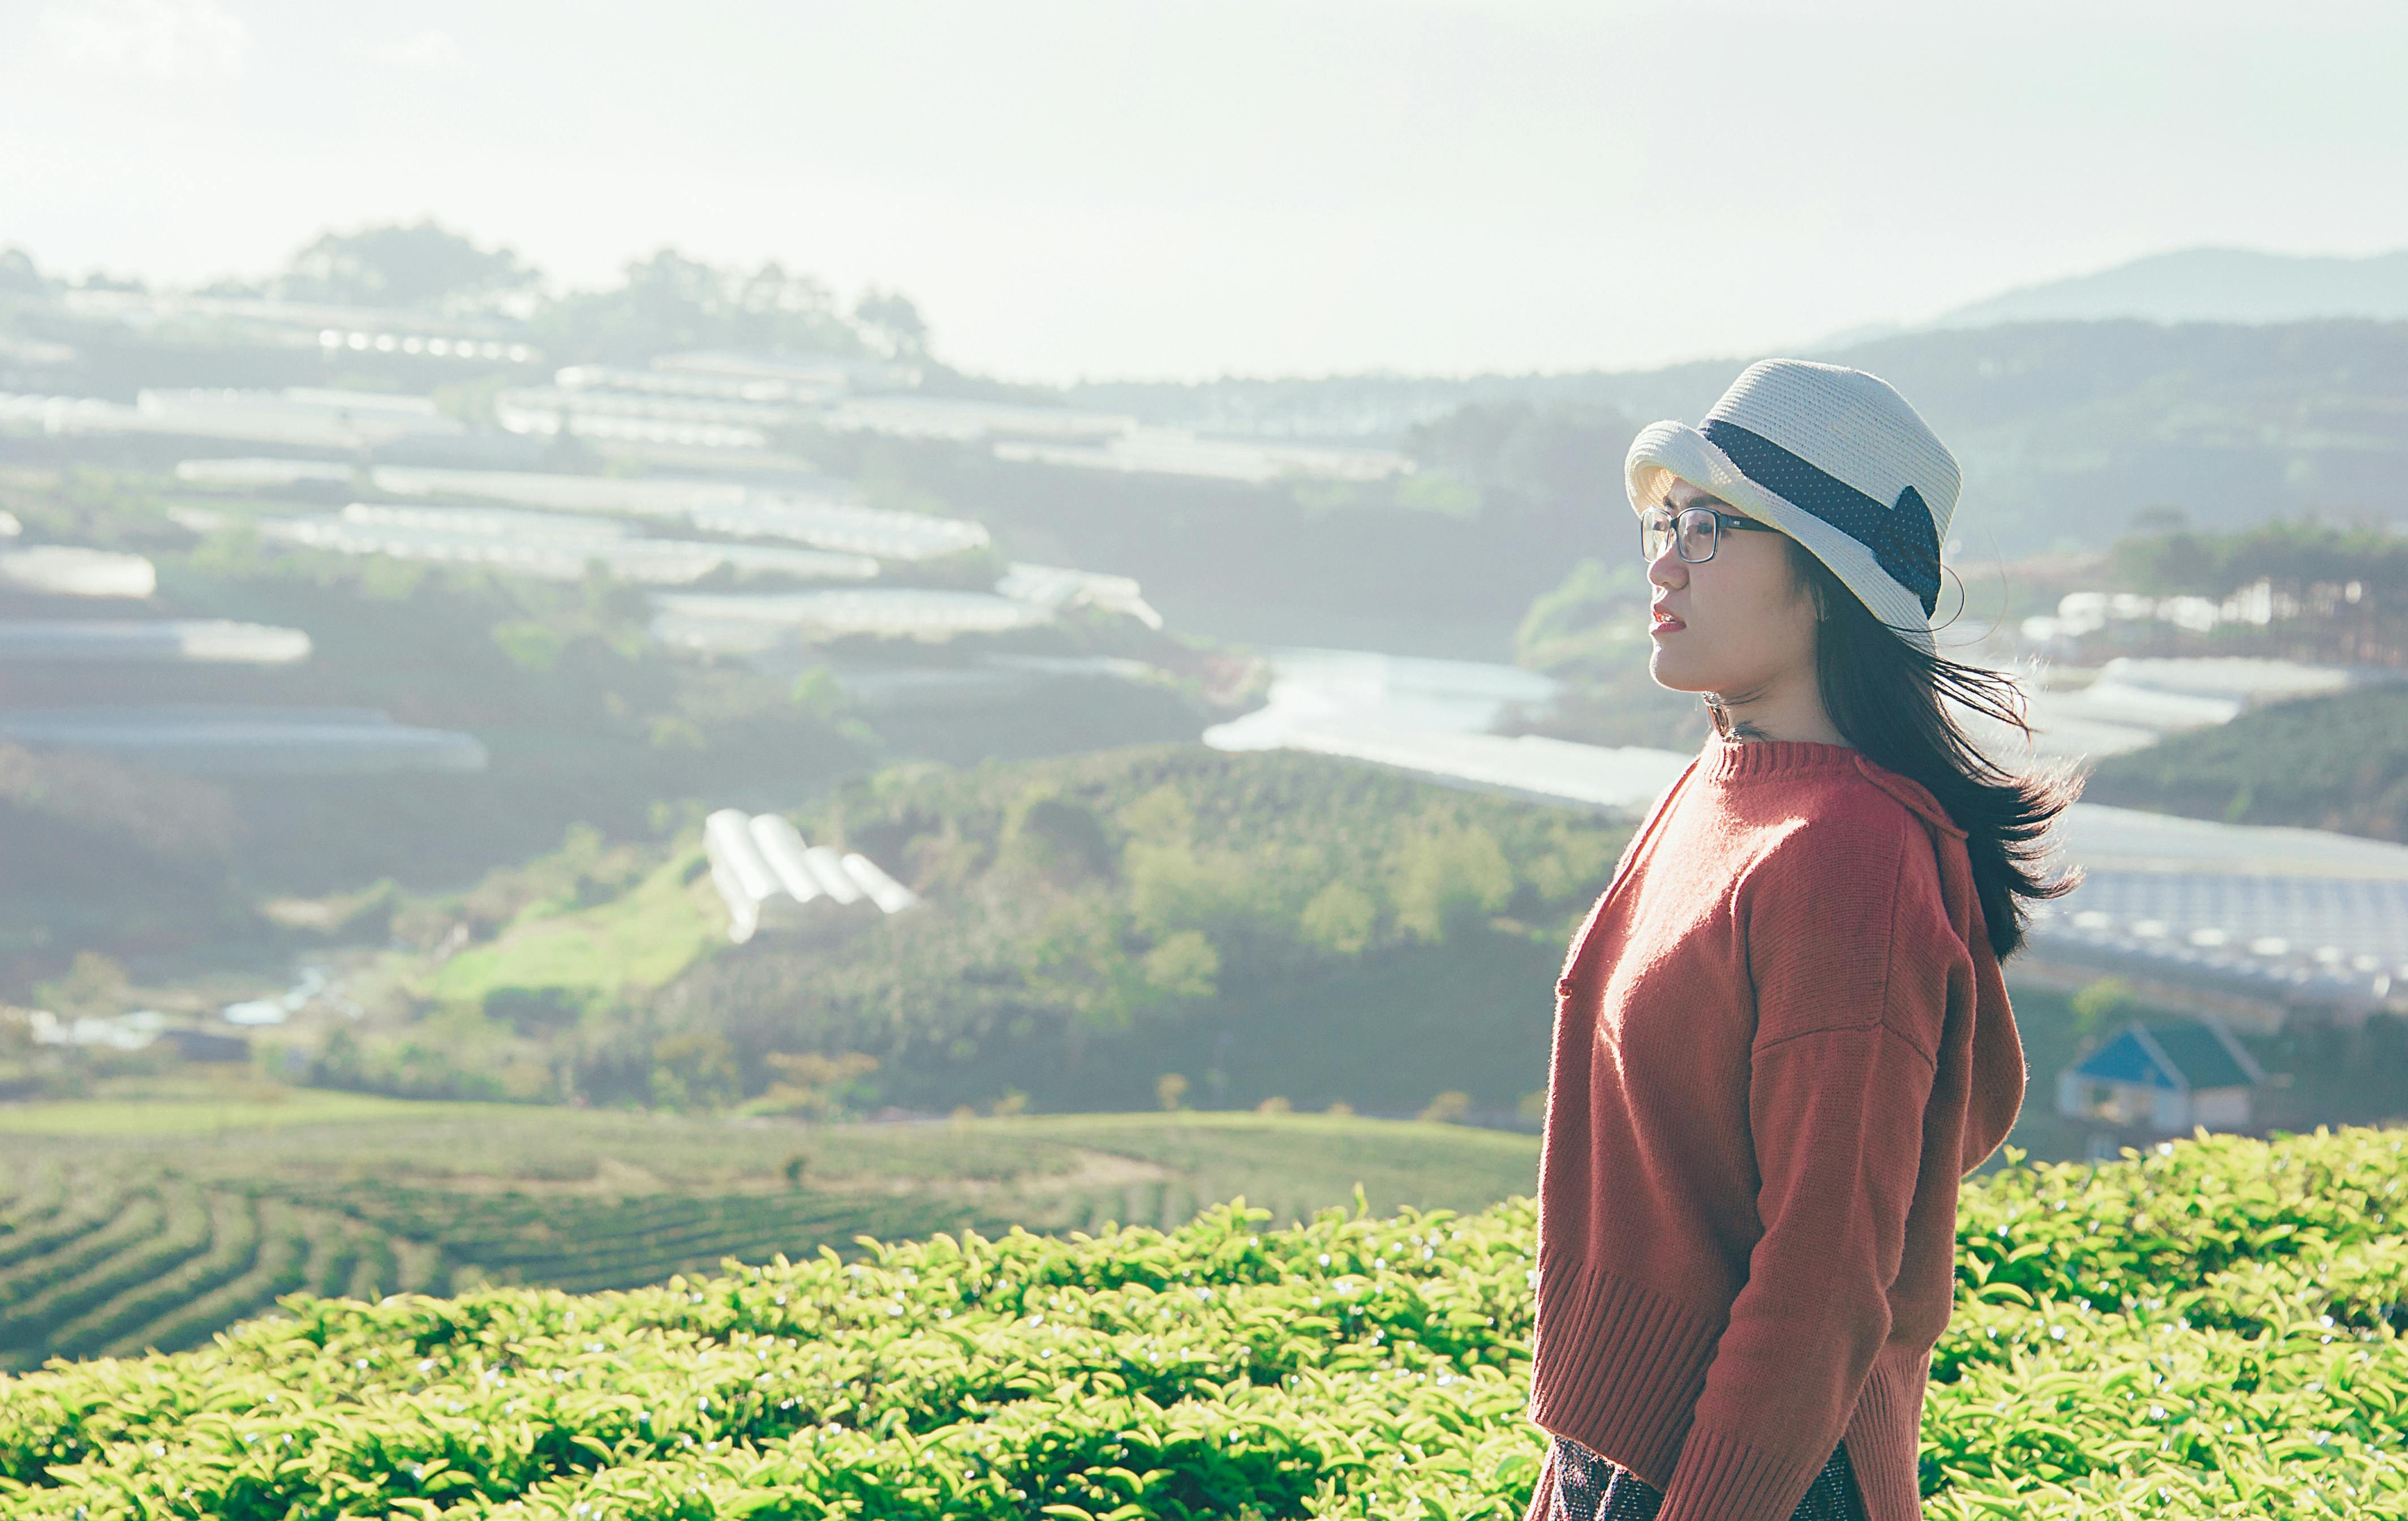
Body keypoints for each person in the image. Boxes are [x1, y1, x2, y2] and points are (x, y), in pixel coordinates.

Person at [1519, 358, 2082, 1521]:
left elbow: (1825, 1273)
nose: (1664, 560)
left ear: (1828, 579)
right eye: (1664, 522)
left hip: (1749, 1476)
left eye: (1714, 526)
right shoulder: (1718, 786)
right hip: (1627, 1448)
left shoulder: (1847, 853)